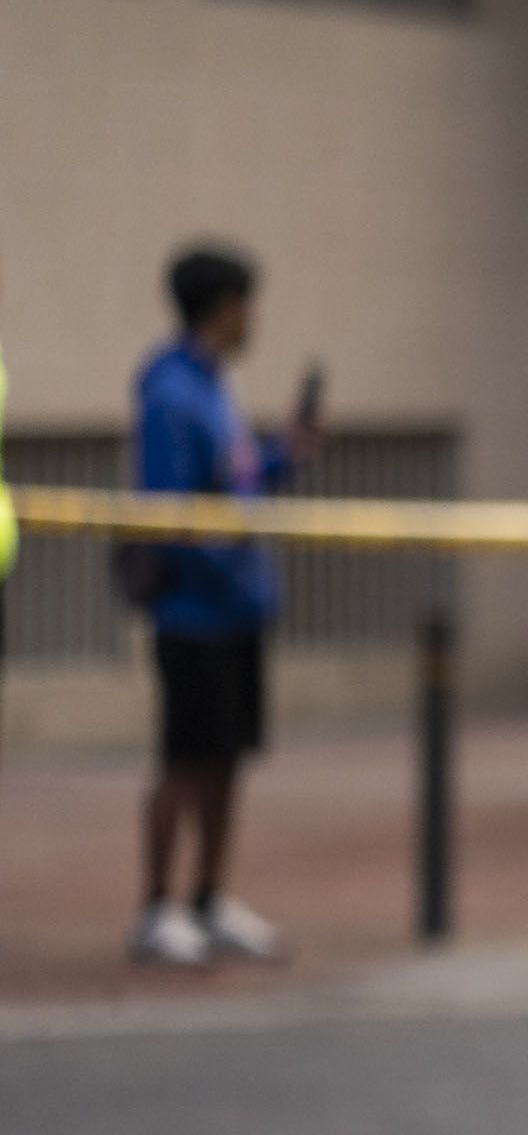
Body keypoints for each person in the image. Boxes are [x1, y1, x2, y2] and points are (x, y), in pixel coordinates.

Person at [130, 244, 310, 970]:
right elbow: (173, 513)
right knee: (184, 762)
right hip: (194, 615)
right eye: (247, 304)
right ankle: (155, 908)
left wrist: (280, 456)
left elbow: (232, 482)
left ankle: (208, 897)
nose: (252, 320)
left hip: (238, 612)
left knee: (229, 760)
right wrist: (227, 564)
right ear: (223, 307)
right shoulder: (170, 392)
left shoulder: (214, 387)